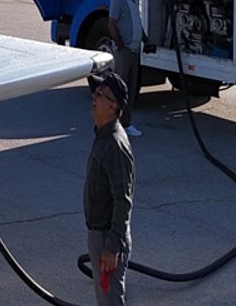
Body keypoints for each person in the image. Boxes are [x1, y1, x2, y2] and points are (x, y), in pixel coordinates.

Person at [85, 70, 135, 306]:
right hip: (100, 235)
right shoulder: (103, 135)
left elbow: (123, 201)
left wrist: (111, 247)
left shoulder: (114, 145)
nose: (94, 96)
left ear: (113, 106)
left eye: (101, 94)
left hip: (107, 238)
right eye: (95, 92)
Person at [107, 0, 143, 136]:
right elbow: (111, 24)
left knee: (131, 89)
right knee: (119, 89)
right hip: (124, 50)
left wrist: (145, 40)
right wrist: (120, 46)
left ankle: (127, 123)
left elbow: (137, 21)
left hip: (135, 50)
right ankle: (113, 124)